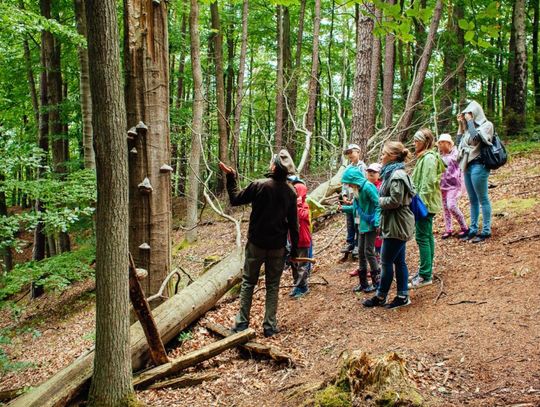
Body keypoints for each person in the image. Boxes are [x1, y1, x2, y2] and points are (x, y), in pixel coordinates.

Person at [219, 150, 299, 338]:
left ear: (273, 167)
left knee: (248, 282)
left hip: (256, 244)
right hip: (278, 247)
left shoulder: (259, 186)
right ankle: (269, 327)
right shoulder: (291, 192)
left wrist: (231, 177)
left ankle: (241, 325)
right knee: (273, 285)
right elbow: (294, 226)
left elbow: (235, 199)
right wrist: (294, 251)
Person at [363, 141, 415, 309]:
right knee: (399, 261)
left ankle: (381, 296)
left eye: (384, 153)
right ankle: (402, 295)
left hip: (397, 224)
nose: (381, 156)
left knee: (385, 262)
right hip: (395, 223)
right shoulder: (391, 173)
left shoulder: (397, 175)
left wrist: (378, 201)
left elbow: (395, 200)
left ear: (392, 156)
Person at [409, 128, 445, 289]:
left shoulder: (429, 158)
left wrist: (420, 205)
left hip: (425, 204)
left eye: (416, 141)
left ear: (425, 142)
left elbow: (428, 183)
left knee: (422, 237)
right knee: (427, 236)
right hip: (426, 203)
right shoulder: (425, 157)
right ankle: (426, 270)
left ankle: (425, 275)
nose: (413, 143)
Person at [457, 101, 494, 243]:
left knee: (483, 199)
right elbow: (459, 143)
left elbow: (476, 139)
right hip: (468, 165)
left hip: (479, 165)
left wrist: (471, 122)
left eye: (470, 113)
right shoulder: (468, 128)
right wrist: (462, 125)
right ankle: (472, 229)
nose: (468, 116)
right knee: (472, 200)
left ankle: (486, 230)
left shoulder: (487, 125)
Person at [340, 166, 381, 293]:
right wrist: (343, 209)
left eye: (350, 183)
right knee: (361, 254)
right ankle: (363, 283)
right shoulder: (358, 189)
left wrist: (377, 222)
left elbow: (378, 204)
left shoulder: (368, 187)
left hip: (371, 224)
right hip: (362, 225)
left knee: (369, 251)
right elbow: (356, 208)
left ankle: (377, 282)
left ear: (355, 180)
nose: (349, 186)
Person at [437, 133, 468, 239]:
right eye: (439, 143)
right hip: (443, 185)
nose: (440, 145)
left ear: (448, 143)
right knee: (445, 208)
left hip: (454, 184)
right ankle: (448, 228)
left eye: (442, 143)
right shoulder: (439, 156)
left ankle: (464, 227)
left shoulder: (455, 153)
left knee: (451, 205)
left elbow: (460, 163)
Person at [340, 144, 368, 257]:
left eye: (352, 152)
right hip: (349, 200)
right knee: (350, 222)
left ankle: (357, 244)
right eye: (348, 154)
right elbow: (345, 183)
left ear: (358, 152)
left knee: (357, 222)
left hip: (358, 200)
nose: (350, 155)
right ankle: (350, 242)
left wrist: (357, 198)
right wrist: (344, 196)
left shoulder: (362, 167)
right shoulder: (348, 167)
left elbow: (363, 183)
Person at [289, 180, 312, 298]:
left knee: (302, 264)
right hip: (293, 240)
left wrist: (297, 204)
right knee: (294, 264)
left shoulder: (305, 205)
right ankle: (297, 284)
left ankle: (303, 287)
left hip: (303, 239)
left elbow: (303, 215)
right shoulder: (289, 204)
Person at [366, 163, 383, 263]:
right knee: (372, 241)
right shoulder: (367, 186)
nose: (371, 174)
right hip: (369, 218)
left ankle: (380, 262)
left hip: (378, 218)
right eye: (369, 172)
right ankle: (375, 262)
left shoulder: (381, 186)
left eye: (374, 172)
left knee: (379, 239)